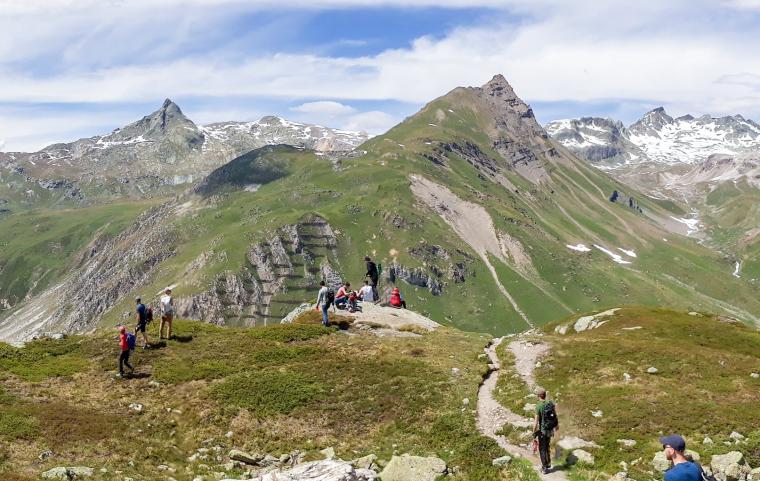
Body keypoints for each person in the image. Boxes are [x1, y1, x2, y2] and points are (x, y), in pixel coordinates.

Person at [533, 388, 559, 474]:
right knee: (547, 446)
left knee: (542, 449)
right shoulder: (549, 403)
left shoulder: (538, 405)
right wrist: (556, 425)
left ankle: (544, 468)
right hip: (550, 429)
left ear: (538, 395)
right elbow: (554, 415)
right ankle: (548, 464)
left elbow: (536, 422)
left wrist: (534, 432)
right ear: (545, 395)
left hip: (543, 431)